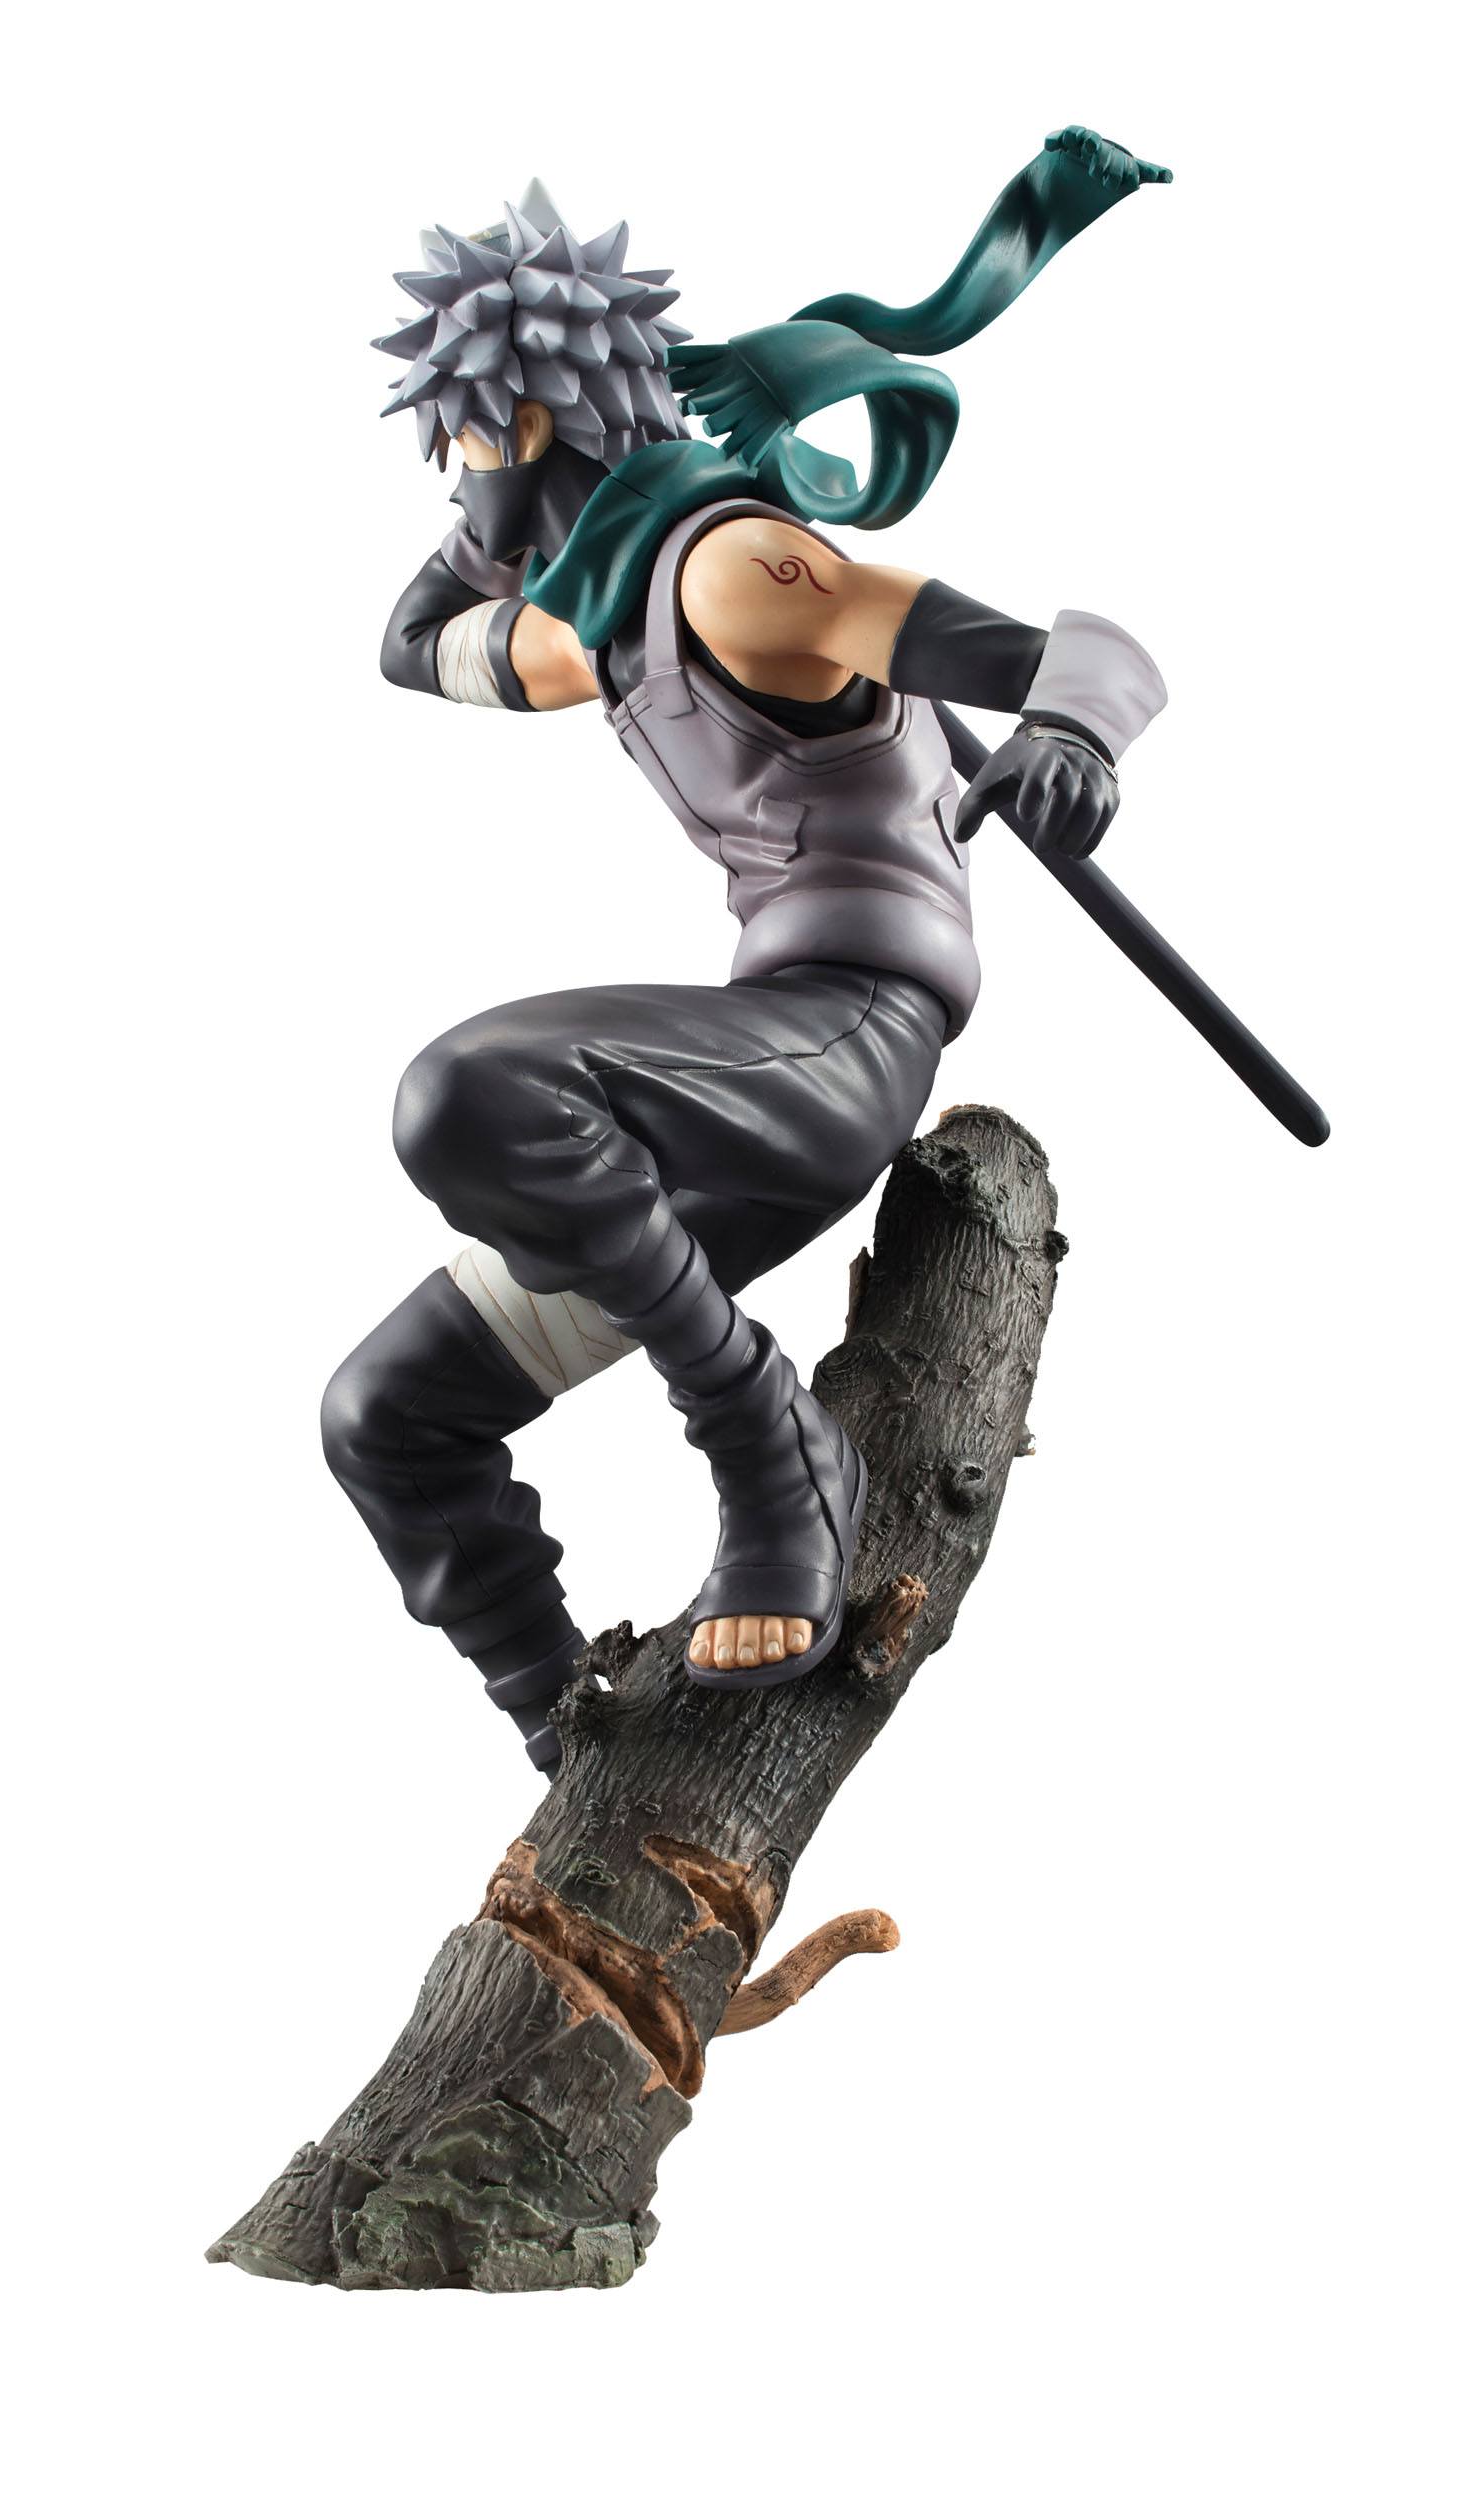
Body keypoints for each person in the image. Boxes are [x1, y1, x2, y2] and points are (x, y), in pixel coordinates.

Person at [323, 141, 1169, 1773]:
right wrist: (519, 477)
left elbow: (1091, 649)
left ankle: (766, 1445)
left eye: (457, 445)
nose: (451, 489)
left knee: (469, 1094)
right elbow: (406, 646)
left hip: (845, 1039)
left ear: (512, 429)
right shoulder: (594, 626)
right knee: (388, 1417)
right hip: (705, 1135)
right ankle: (569, 1728)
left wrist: (1073, 735)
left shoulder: (736, 575)